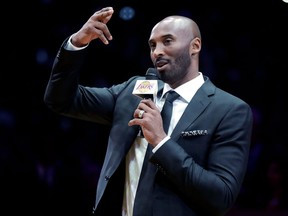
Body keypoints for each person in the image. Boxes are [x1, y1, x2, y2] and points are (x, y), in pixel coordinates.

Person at [44, 6, 253, 216]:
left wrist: (161, 142)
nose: (157, 51)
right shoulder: (133, 91)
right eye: (152, 45)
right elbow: (61, 100)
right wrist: (77, 43)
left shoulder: (229, 109)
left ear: (195, 46)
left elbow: (221, 196)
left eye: (167, 41)